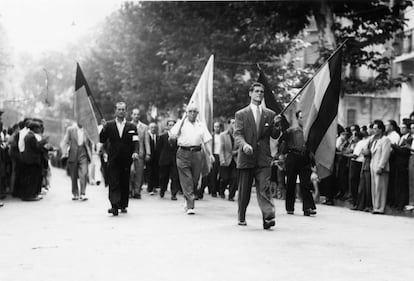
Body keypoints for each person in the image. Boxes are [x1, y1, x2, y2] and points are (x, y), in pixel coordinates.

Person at [234, 82, 278, 229]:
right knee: (244, 190)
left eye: (261, 92)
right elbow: (238, 134)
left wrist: (277, 125)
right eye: (256, 91)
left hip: (263, 158)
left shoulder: (270, 114)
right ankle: (241, 216)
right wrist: (244, 145)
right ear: (250, 93)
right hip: (247, 157)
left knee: (264, 188)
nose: (259, 94)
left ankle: (268, 217)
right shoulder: (241, 114)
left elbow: (274, 135)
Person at [169, 104, 214, 215]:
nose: (192, 114)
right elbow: (172, 136)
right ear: (187, 113)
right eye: (190, 111)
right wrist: (179, 127)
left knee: (194, 180)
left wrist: (210, 154)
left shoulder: (201, 125)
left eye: (195, 112)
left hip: (197, 153)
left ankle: (187, 197)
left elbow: (206, 140)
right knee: (187, 179)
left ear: (197, 114)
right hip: (183, 153)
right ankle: (190, 205)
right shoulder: (181, 123)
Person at [100, 102, 139, 216]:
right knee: (114, 182)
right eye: (119, 109)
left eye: (123, 109)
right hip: (113, 158)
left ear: (126, 111)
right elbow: (102, 139)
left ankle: (123, 204)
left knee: (124, 181)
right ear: (115, 111)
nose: (121, 111)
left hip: (126, 159)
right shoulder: (109, 125)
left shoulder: (132, 126)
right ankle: (114, 205)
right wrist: (103, 128)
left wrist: (135, 152)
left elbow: (135, 142)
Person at [279, 110, 317, 216]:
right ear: (297, 118)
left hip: (304, 158)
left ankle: (307, 207)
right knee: (291, 182)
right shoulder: (291, 131)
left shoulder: (309, 131)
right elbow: (281, 140)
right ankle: (290, 207)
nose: (303, 119)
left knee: (305, 183)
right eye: (301, 117)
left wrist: (312, 161)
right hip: (292, 157)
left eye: (304, 117)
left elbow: (312, 148)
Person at [61, 122, 93, 201]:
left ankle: (83, 193)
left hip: (83, 154)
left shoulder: (87, 130)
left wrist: (91, 155)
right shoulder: (70, 130)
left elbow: (90, 143)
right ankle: (75, 193)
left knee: (84, 173)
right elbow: (65, 141)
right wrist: (64, 152)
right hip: (73, 153)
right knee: (74, 175)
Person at [20, 121, 46, 201]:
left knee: (30, 178)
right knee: (32, 179)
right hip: (33, 160)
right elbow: (36, 147)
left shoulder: (28, 136)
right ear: (34, 128)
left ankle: (29, 194)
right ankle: (30, 195)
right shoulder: (31, 137)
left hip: (29, 160)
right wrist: (43, 142)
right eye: (37, 128)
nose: (39, 129)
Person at [370, 120, 392, 214]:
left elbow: (385, 154)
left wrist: (381, 166)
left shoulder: (385, 140)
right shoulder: (375, 140)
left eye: (375, 128)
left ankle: (380, 207)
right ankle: (375, 206)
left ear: (380, 129)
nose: (374, 130)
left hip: (380, 167)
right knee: (374, 187)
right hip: (373, 166)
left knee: (381, 187)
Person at [129, 108, 150, 199]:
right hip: (129, 153)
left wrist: (148, 153)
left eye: (138, 114)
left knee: (139, 173)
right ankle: (129, 189)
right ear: (131, 115)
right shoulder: (128, 125)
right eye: (134, 114)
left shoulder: (144, 127)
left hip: (140, 153)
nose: (136, 116)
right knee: (130, 171)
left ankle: (137, 191)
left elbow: (146, 141)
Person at [157, 120, 181, 200]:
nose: (172, 126)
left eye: (173, 125)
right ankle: (162, 190)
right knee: (163, 177)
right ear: (167, 126)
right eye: (170, 125)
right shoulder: (163, 136)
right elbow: (158, 149)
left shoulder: (179, 137)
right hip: (164, 160)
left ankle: (173, 193)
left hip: (175, 160)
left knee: (175, 177)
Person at [219, 118, 238, 201]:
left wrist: (236, 152)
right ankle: (221, 191)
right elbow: (221, 148)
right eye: (232, 122)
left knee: (234, 178)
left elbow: (241, 147)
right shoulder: (223, 135)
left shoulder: (238, 135)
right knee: (225, 178)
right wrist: (222, 159)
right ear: (229, 124)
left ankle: (231, 195)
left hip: (235, 159)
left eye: (235, 123)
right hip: (226, 159)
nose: (234, 124)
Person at [146, 122, 160, 195]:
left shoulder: (158, 137)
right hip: (149, 157)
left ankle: (154, 186)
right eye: (152, 127)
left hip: (156, 158)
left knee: (155, 172)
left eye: (155, 127)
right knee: (149, 172)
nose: (153, 129)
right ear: (149, 128)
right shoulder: (147, 136)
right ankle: (149, 188)